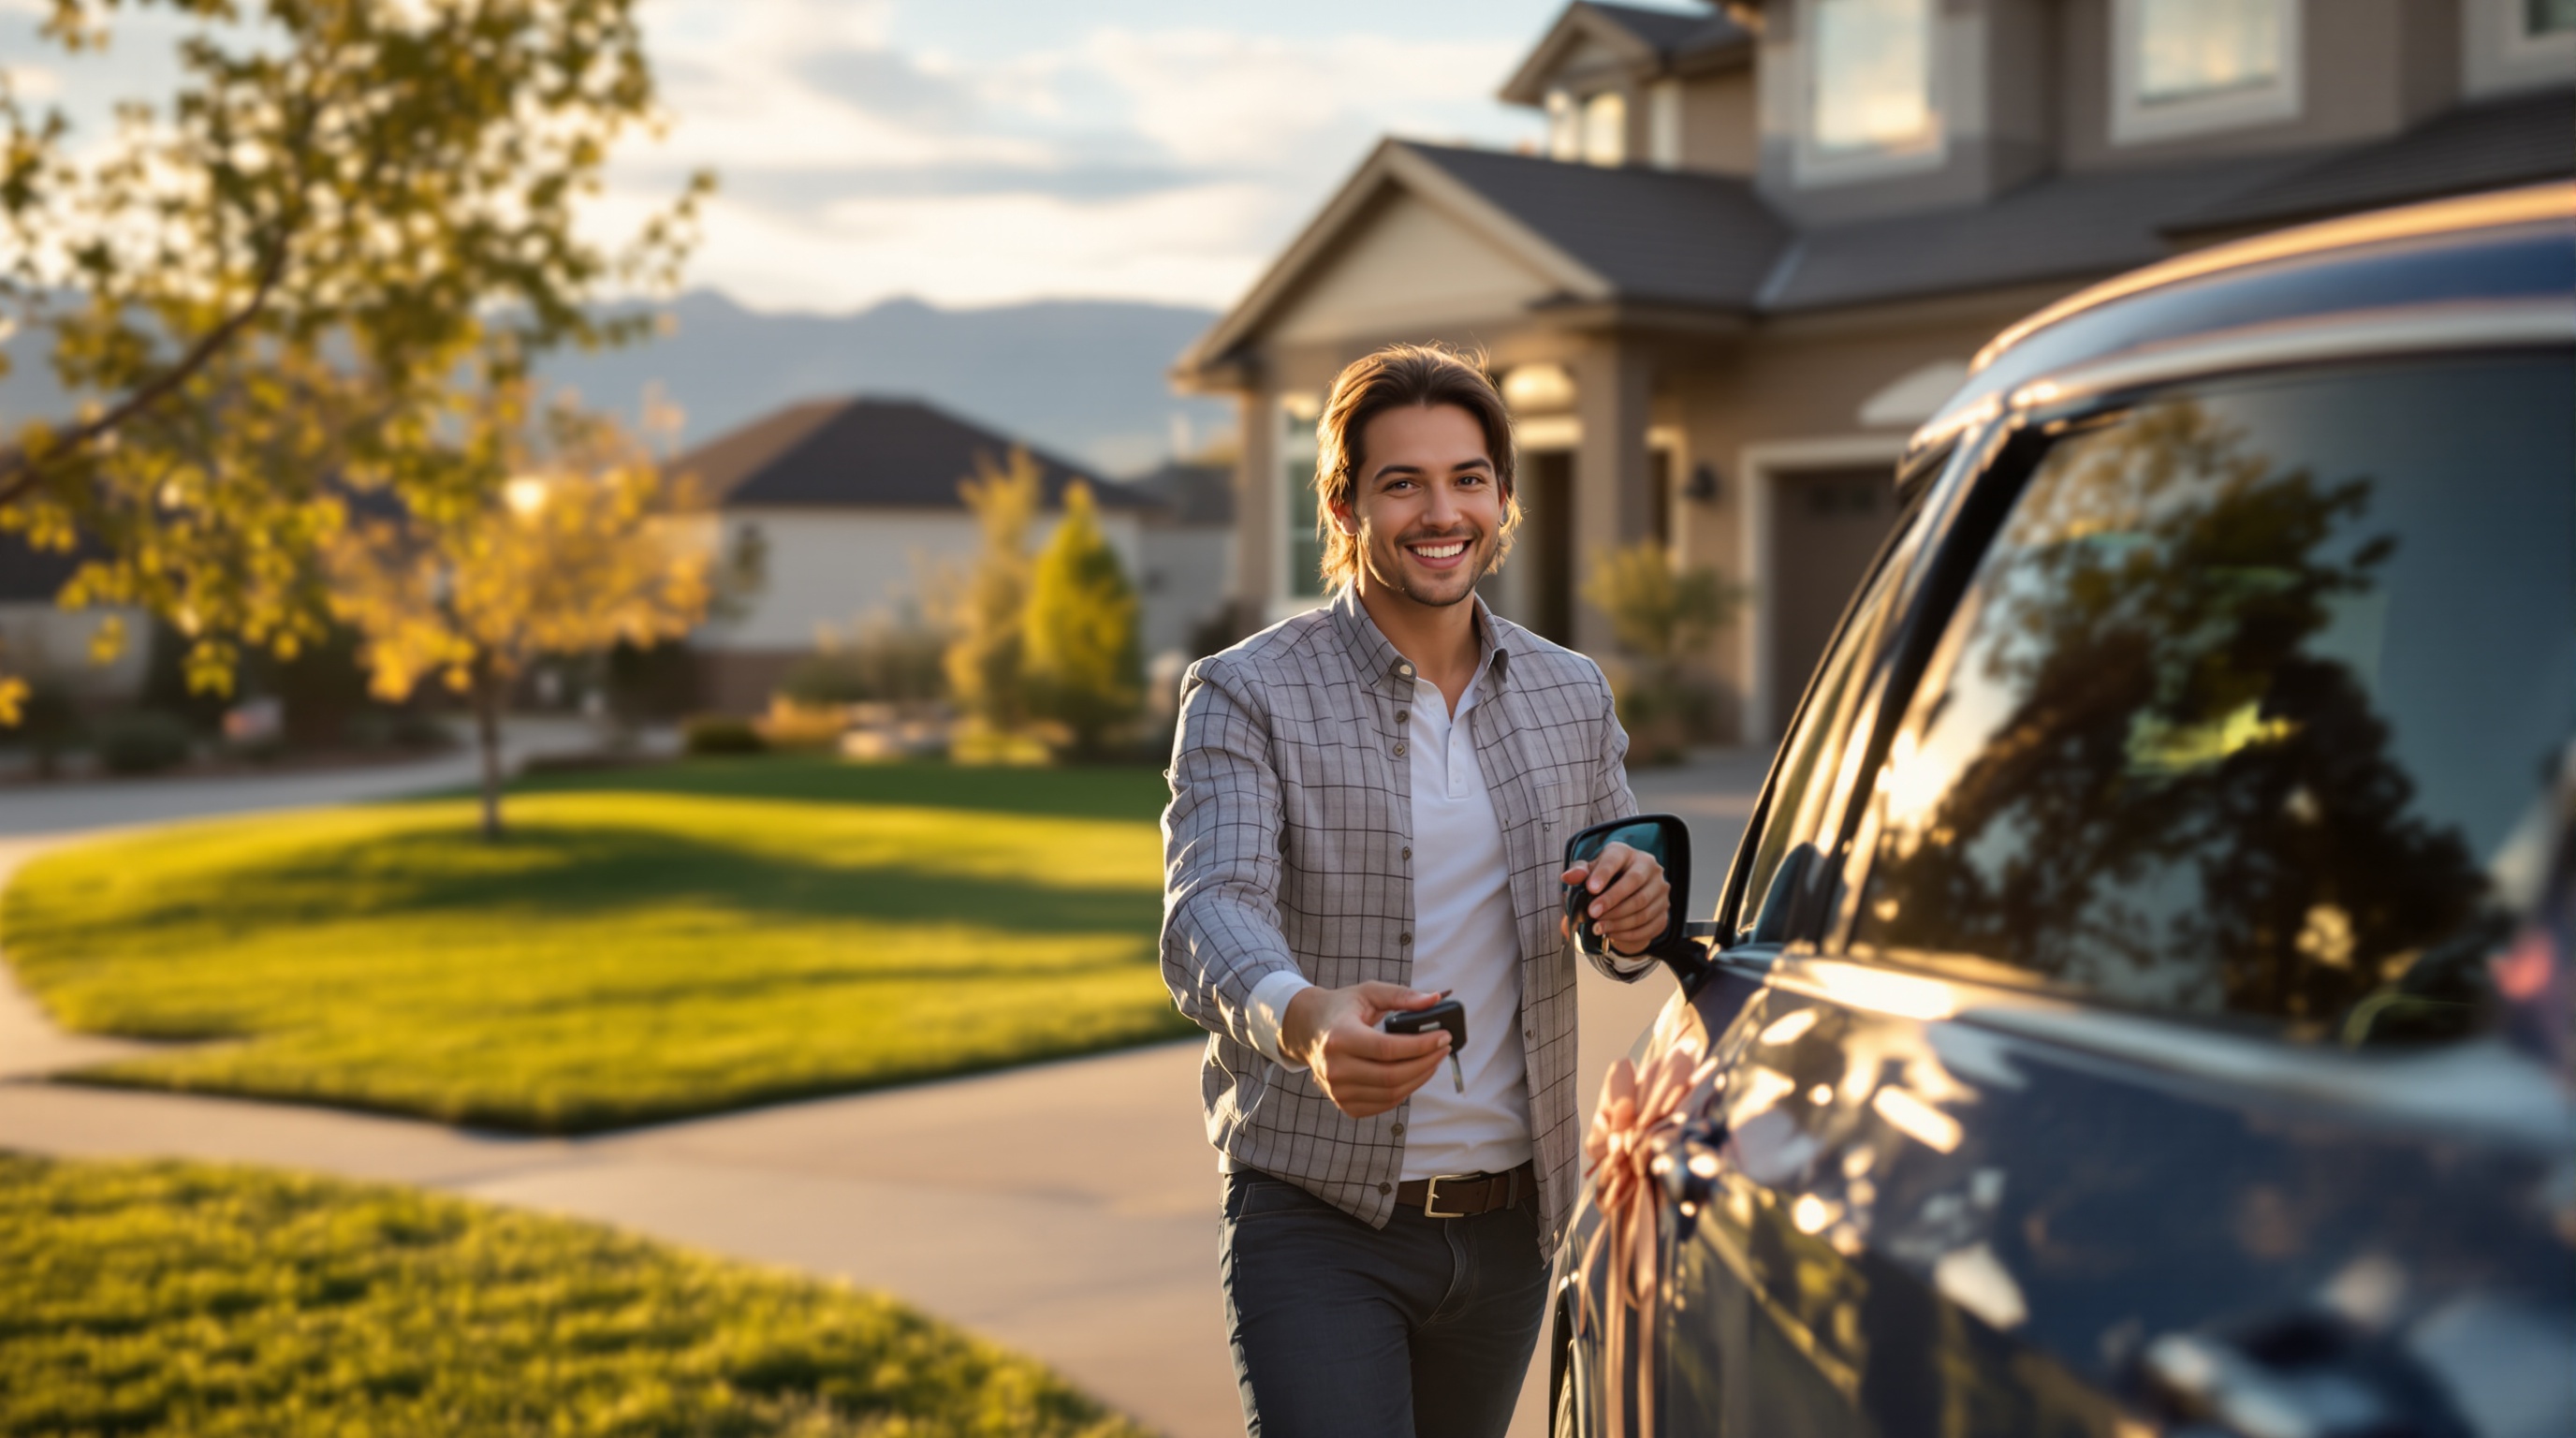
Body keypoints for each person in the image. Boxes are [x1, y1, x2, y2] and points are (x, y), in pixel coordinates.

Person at [1161, 343, 1670, 1438]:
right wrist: (1303, 1022)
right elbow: (1210, 909)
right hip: (1319, 1218)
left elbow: (1611, 926)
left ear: (1502, 498)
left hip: (1512, 1224)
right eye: (1403, 483)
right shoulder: (1246, 692)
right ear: (1343, 507)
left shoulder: (1568, 692)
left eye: (1467, 479)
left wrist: (1633, 910)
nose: (1442, 513)